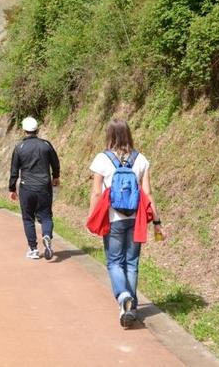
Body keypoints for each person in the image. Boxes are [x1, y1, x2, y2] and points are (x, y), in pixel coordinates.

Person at [87, 119, 164, 328]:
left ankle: (122, 296)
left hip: (113, 220)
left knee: (114, 262)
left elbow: (96, 192)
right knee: (132, 263)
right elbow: (147, 193)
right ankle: (133, 305)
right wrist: (156, 222)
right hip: (135, 218)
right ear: (129, 134)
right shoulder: (141, 160)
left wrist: (93, 217)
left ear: (109, 135)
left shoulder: (102, 159)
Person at [8, 117, 60, 261]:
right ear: (37, 129)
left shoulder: (19, 147)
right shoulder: (45, 145)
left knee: (28, 218)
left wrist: (12, 188)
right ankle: (47, 235)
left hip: (27, 187)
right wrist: (56, 176)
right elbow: (55, 163)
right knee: (46, 216)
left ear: (24, 130)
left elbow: (14, 171)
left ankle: (33, 249)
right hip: (44, 186)